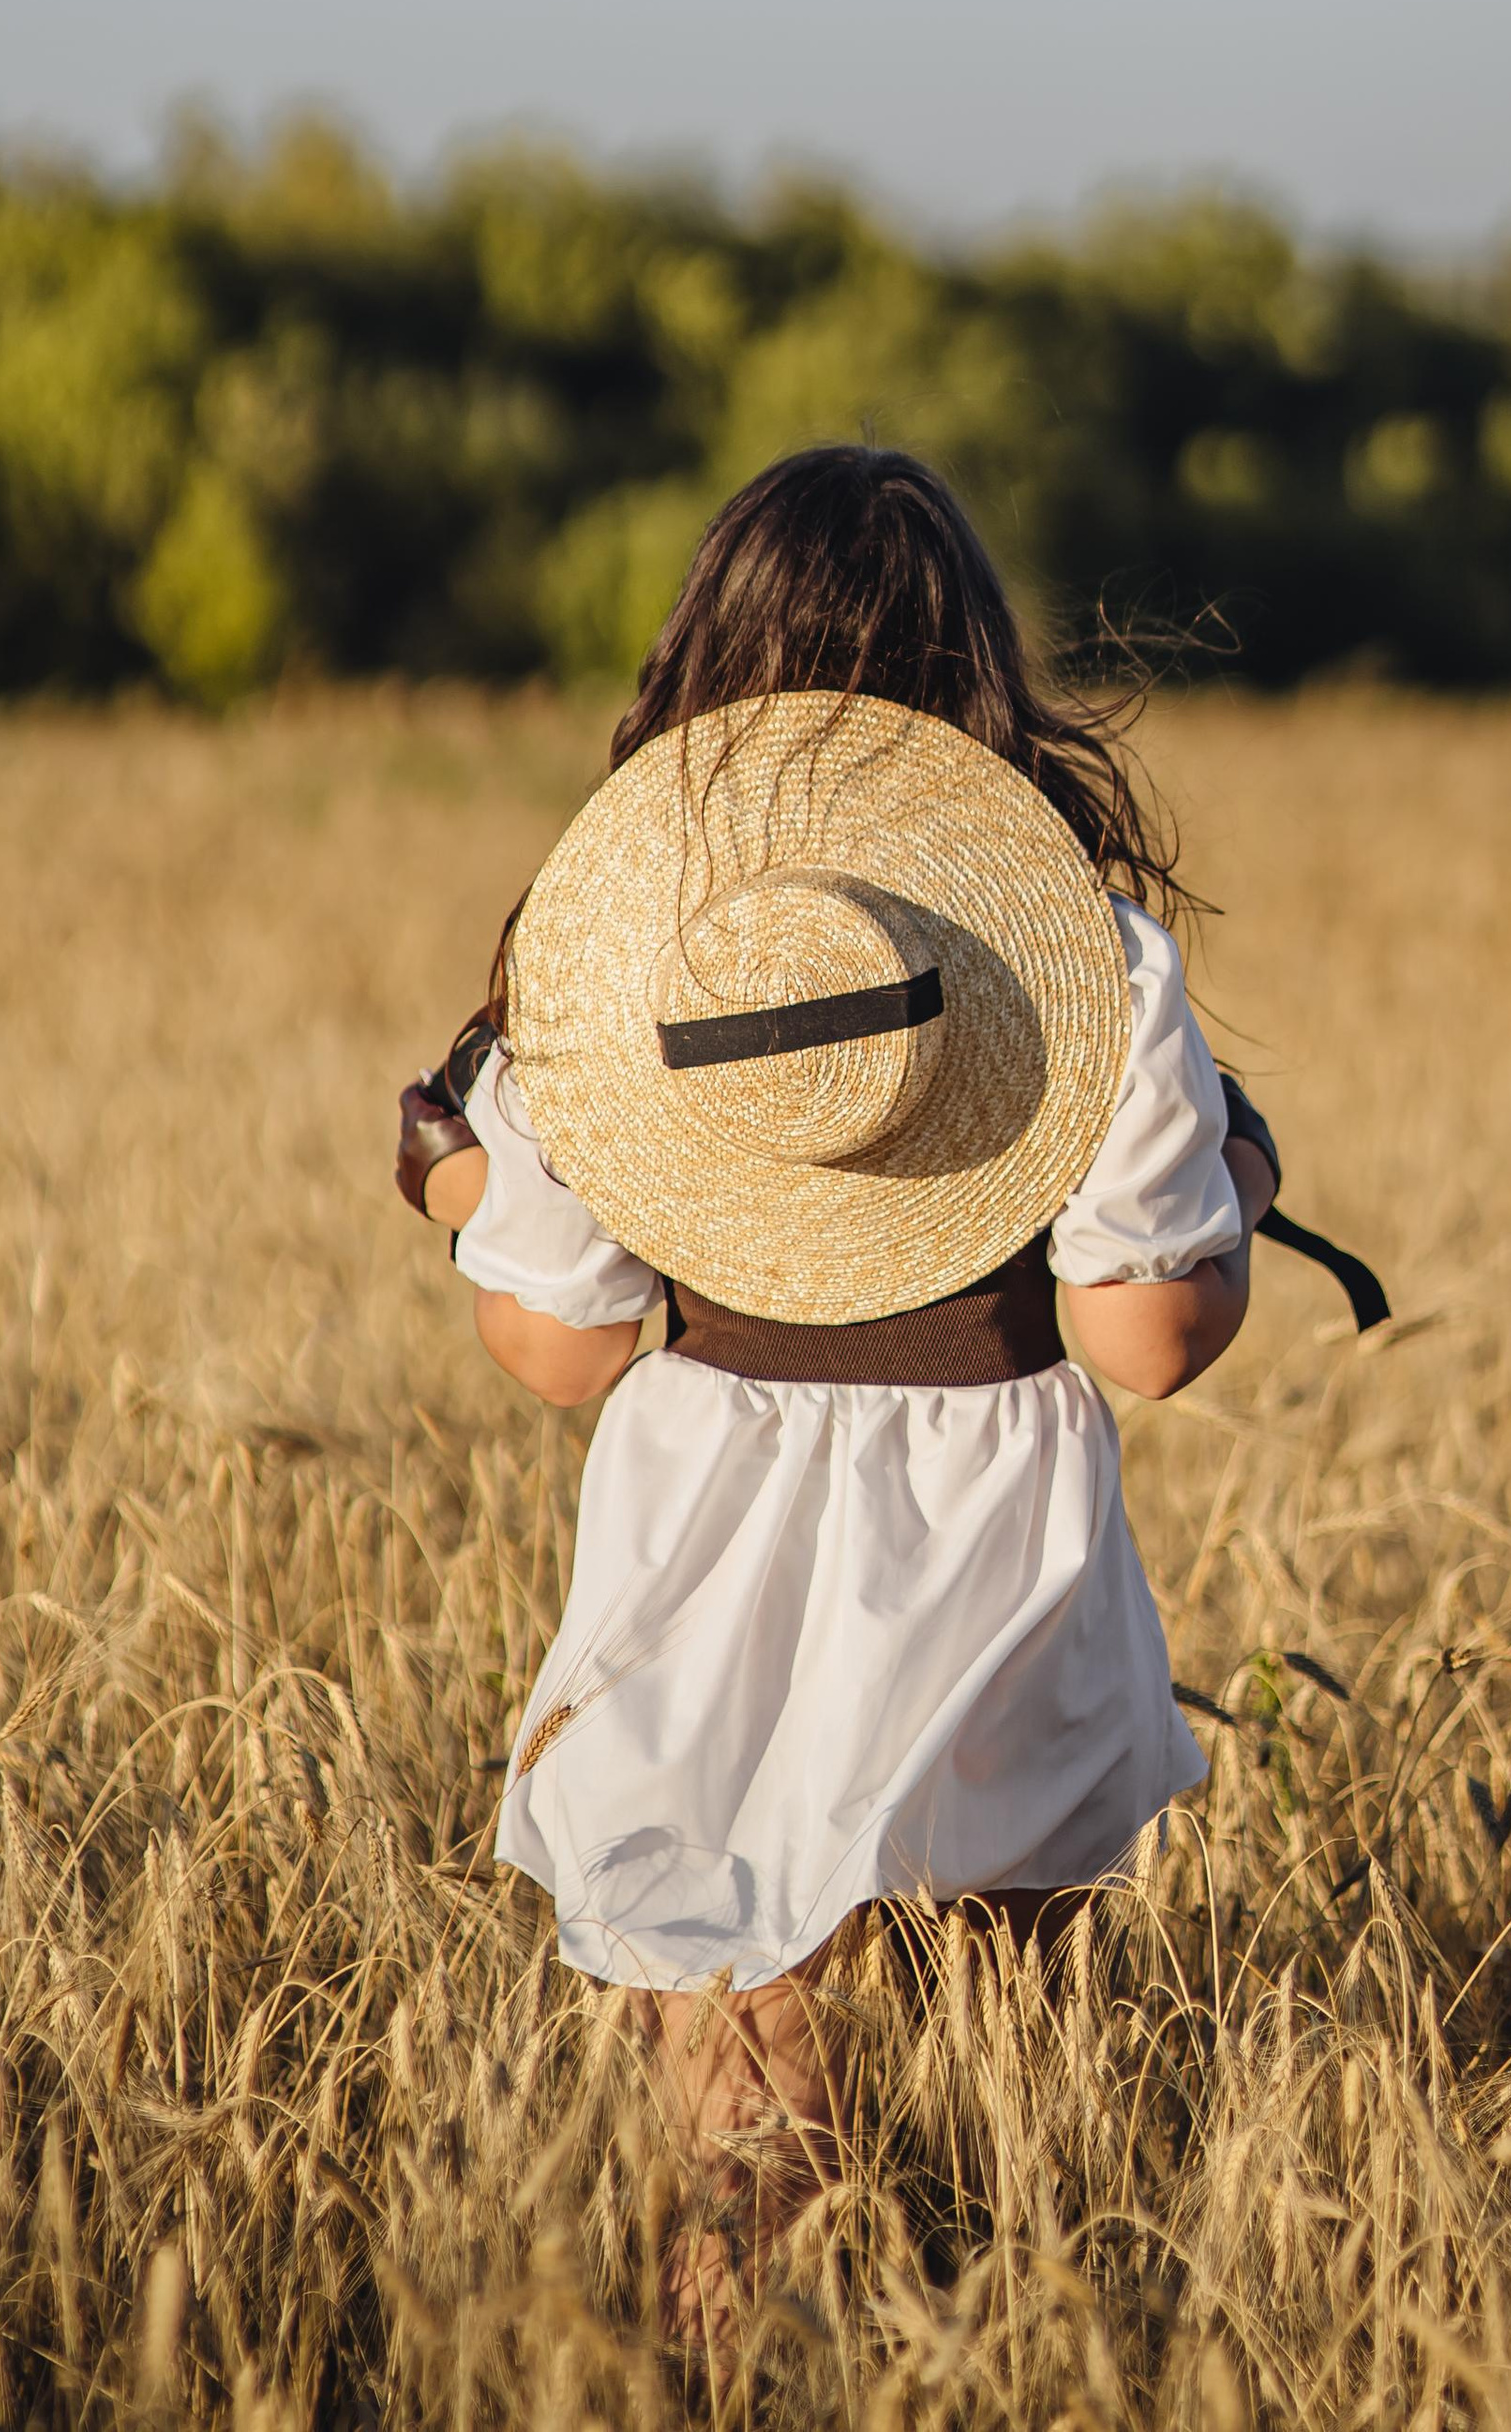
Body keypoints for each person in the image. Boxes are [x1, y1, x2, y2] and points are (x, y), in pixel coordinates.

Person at [393, 444, 1279, 2337]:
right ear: (978, 682)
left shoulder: (613, 955)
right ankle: (1031, 2368)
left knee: (738, 2102)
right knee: (1020, 2085)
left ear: (709, 673)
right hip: (995, 1551)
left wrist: (475, 1199)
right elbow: (1142, 1342)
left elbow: (561, 1349)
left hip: (710, 1553)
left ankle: (734, 2379)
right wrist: (1239, 1212)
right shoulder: (1088, 959)